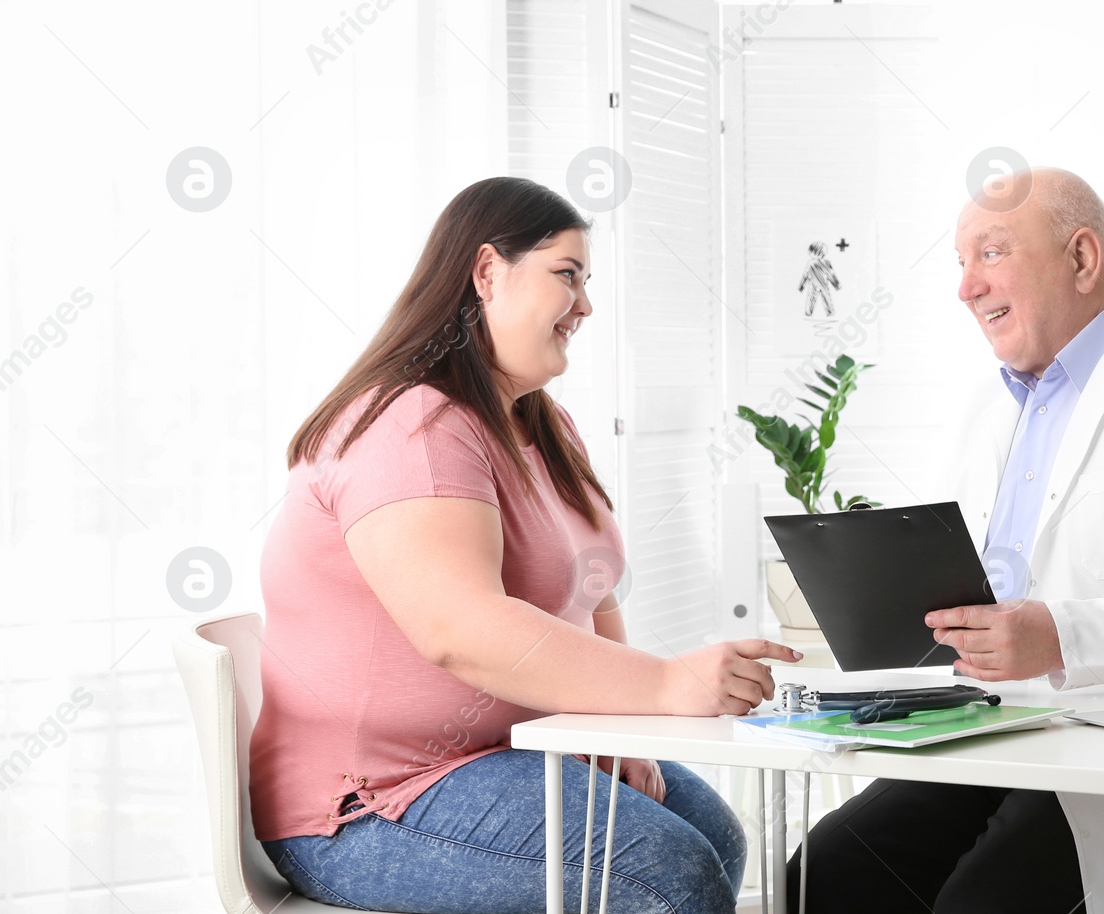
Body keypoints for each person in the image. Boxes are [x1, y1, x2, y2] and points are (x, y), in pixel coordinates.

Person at [250, 176, 799, 914]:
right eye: (566, 275)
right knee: (668, 874)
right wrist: (666, 687)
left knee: (719, 839)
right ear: (486, 272)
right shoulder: (411, 426)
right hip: (378, 796)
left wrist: (621, 724)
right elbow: (460, 630)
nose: (585, 305)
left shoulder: (540, 423)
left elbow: (594, 592)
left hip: (515, 750)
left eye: (587, 280)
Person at [788, 168, 1104, 912]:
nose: (966, 286)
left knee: (980, 901)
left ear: (1082, 258)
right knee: (828, 872)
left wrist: (1062, 635)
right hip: (991, 728)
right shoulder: (989, 411)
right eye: (960, 264)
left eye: (989, 254)